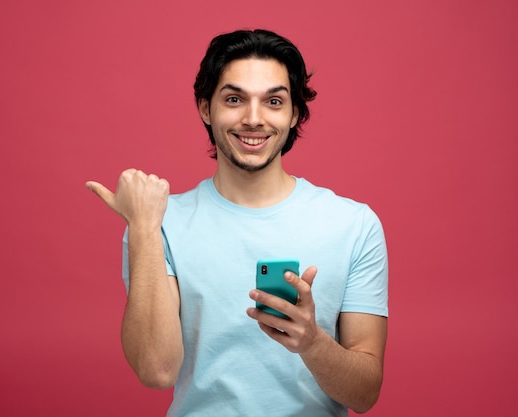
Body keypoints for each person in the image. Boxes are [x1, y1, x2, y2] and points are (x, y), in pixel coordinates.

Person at [86, 29, 388, 417]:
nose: (253, 119)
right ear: (205, 109)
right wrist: (144, 227)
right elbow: (157, 370)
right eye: (234, 99)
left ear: (295, 113)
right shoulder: (158, 224)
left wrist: (312, 342)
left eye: (274, 101)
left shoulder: (354, 225)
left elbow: (365, 396)